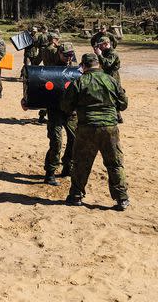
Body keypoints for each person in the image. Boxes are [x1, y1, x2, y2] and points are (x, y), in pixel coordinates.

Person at [60, 53, 129, 210]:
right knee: (115, 163)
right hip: (109, 128)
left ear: (83, 66)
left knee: (81, 163)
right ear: (99, 64)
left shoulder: (79, 81)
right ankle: (122, 198)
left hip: (87, 127)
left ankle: (76, 196)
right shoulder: (111, 80)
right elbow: (123, 104)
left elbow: (66, 106)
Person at [41, 41, 77, 186]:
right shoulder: (51, 68)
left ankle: (68, 167)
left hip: (71, 112)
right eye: (66, 55)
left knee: (74, 141)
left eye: (71, 55)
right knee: (56, 142)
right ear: (60, 53)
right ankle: (50, 172)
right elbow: (41, 88)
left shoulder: (75, 69)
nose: (69, 58)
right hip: (55, 111)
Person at [95, 36, 123, 123]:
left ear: (106, 44)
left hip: (112, 77)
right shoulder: (105, 52)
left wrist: (99, 54)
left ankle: (117, 116)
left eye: (101, 45)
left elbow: (107, 64)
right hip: (106, 75)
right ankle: (116, 116)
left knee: (113, 96)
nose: (100, 47)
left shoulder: (112, 53)